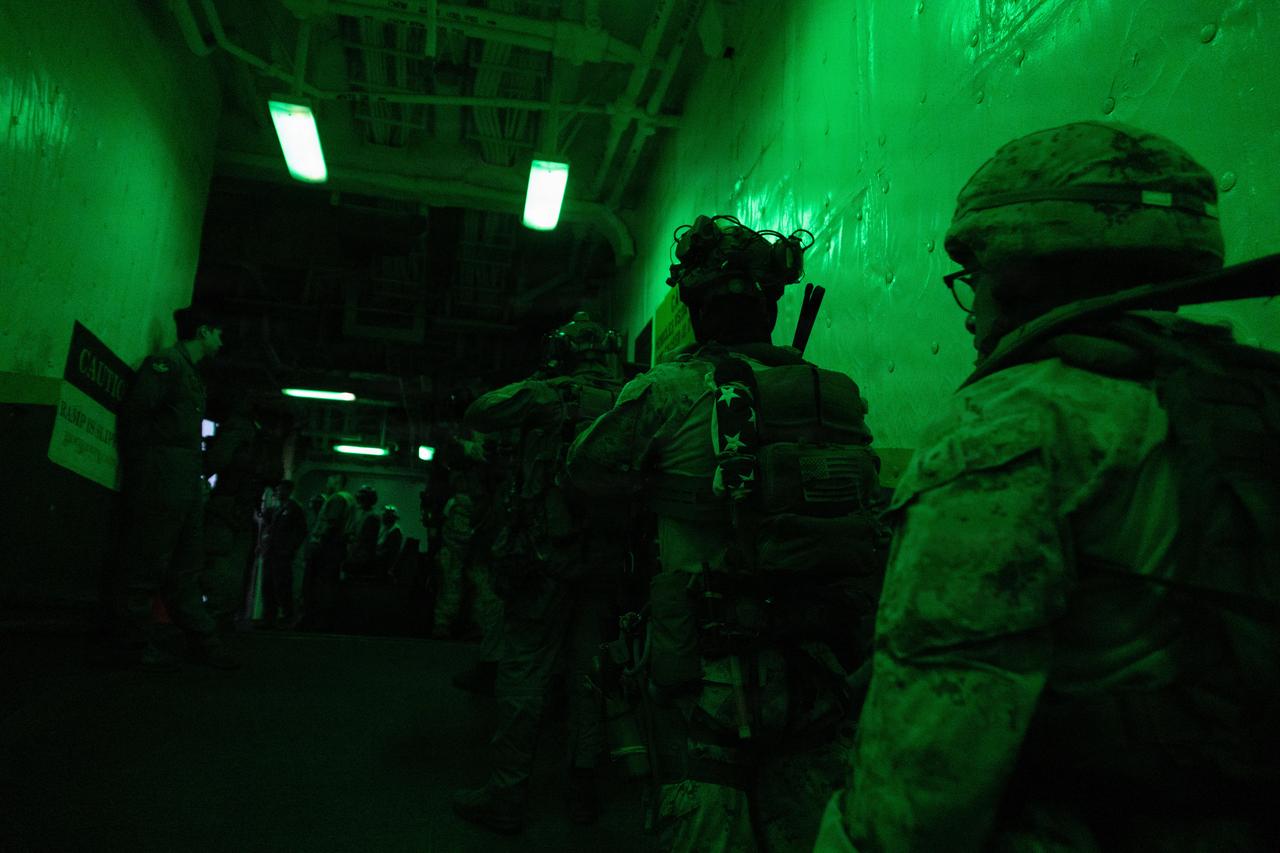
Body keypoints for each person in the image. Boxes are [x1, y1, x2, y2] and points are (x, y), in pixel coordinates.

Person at [816, 121, 1280, 851]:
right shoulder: (1250, 395)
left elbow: (917, 798)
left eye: (978, 280)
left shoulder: (1015, 421)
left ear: (1026, 271)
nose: (973, 314)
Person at [565, 216, 887, 852]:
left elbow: (583, 472)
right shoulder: (833, 392)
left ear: (695, 305)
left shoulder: (666, 389)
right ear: (772, 305)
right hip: (817, 655)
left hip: (709, 665)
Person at [451, 312, 629, 833]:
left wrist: (541, 380)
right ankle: (583, 787)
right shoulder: (628, 398)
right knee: (588, 677)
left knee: (524, 673)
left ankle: (507, 795)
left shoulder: (549, 395)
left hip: (545, 560)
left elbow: (481, 412)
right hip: (604, 562)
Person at [114, 304, 238, 671]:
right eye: (218, 332)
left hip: (182, 480)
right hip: (163, 478)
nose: (221, 340)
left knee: (186, 566)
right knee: (147, 562)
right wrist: (147, 472)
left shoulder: (191, 375)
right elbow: (136, 417)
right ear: (203, 332)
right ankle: (130, 646)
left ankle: (205, 643)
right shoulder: (165, 365)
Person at [300, 473, 354, 630]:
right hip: (336, 549)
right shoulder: (349, 499)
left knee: (320, 584)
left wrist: (318, 545)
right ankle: (324, 620)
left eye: (329, 480)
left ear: (337, 481)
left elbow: (331, 524)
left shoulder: (337, 499)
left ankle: (315, 621)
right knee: (329, 583)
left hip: (327, 549)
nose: (327, 483)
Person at [260, 479, 309, 627]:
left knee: (282, 586)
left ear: (289, 491)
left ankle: (287, 616)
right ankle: (269, 617)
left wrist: (289, 549)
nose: (278, 492)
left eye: (281, 489)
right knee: (267, 585)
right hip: (271, 553)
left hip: (281, 555)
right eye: (278, 489)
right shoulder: (277, 509)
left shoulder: (294, 508)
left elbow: (301, 531)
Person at [344, 485, 381, 578]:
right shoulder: (357, 512)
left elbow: (366, 541)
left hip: (361, 559)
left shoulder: (373, 516)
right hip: (353, 555)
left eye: (363, 496)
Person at [375, 504, 404, 577]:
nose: (383, 518)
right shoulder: (385, 528)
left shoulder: (395, 531)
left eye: (386, 516)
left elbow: (390, 552)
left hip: (384, 566)